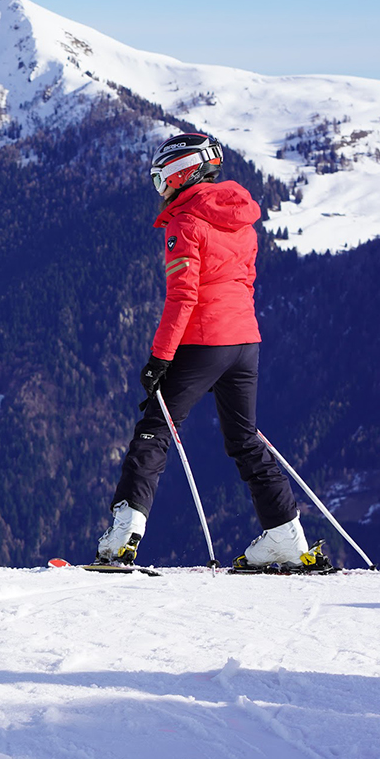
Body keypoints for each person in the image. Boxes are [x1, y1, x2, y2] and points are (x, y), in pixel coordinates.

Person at [95, 132, 330, 572]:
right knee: (245, 438)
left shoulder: (185, 223)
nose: (160, 186)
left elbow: (183, 297)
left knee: (155, 428)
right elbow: (243, 281)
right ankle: (285, 538)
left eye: (162, 176)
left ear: (182, 171)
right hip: (246, 342)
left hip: (203, 341)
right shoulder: (241, 219)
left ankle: (122, 538)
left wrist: (160, 359)